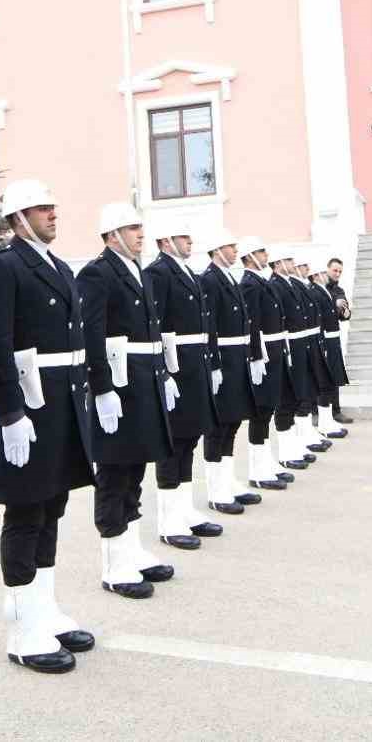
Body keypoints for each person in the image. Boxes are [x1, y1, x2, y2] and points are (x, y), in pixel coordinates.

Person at [0, 178, 97, 674]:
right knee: (25, 513)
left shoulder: (59, 266)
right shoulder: (2, 266)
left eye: (52, 207)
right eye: (41, 208)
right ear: (17, 218)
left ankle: (42, 606)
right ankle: (24, 626)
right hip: (28, 405)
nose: (52, 215)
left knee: (52, 506)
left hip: (63, 404)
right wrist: (9, 413)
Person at [77, 205, 182, 581]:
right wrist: (102, 388)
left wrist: (164, 373)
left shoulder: (137, 270)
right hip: (119, 386)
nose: (140, 234)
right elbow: (91, 334)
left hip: (143, 380)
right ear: (111, 234)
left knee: (135, 468)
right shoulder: (97, 272)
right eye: (132, 228)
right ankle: (113, 562)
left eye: (140, 227)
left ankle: (131, 548)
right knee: (114, 472)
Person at [145, 224, 226, 541]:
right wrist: (164, 372)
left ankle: (184, 509)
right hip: (176, 366)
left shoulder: (186, 272)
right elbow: (156, 324)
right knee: (174, 442)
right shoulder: (158, 272)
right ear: (166, 241)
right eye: (183, 237)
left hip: (195, 364)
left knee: (190, 439)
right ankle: (169, 521)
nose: (189, 240)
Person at [195, 229, 262, 512]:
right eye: (231, 247)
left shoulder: (227, 277)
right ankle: (216, 489)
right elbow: (208, 324)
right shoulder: (209, 279)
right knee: (219, 426)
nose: (236, 251)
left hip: (237, 355)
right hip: (223, 355)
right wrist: (213, 363)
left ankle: (228, 479)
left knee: (233, 422)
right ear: (217, 250)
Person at [237, 237, 298, 489]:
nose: (265, 256)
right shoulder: (249, 283)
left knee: (269, 409)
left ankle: (266, 462)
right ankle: (257, 469)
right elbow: (251, 322)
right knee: (260, 412)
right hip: (263, 351)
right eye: (261, 252)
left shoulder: (260, 281)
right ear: (250, 256)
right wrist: (255, 356)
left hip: (274, 348)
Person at [269, 251, 329, 460]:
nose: (295, 265)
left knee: (301, 395)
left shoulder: (290, 284)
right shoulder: (276, 284)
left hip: (302, 343)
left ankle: (297, 443)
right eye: (289, 261)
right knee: (288, 401)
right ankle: (288, 450)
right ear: (277, 263)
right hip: (289, 346)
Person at [307, 265, 350, 438]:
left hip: (332, 339)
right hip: (325, 339)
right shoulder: (315, 291)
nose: (328, 276)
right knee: (325, 381)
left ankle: (329, 417)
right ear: (317, 275)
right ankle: (324, 420)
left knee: (332, 379)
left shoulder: (324, 290)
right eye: (325, 273)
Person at [324, 258, 355, 425]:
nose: (337, 274)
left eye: (340, 271)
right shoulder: (319, 287)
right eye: (335, 270)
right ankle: (318, 412)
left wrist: (346, 312)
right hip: (320, 337)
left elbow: (343, 315)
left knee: (335, 374)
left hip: (334, 337)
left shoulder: (340, 290)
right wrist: (334, 304)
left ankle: (336, 410)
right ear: (328, 269)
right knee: (321, 374)